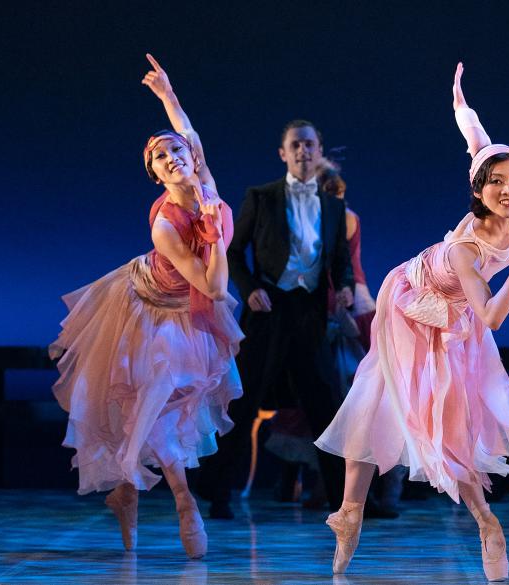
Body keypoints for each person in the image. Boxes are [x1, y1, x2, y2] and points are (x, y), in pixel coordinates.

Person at [313, 63, 509, 581]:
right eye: (498, 184)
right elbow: (488, 316)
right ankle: (351, 513)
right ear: (478, 191)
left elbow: (477, 141)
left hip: (458, 314)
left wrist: (461, 102)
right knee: (380, 399)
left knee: (451, 424)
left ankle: (486, 522)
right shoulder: (467, 246)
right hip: (412, 301)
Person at [49, 54, 240, 559]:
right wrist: (212, 235)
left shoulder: (208, 187)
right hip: (146, 308)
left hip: (192, 308)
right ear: (154, 175)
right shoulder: (165, 222)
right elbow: (211, 285)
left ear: (193, 157)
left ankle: (130, 492)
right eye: (159, 158)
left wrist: (166, 94)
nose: (172, 156)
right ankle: (181, 501)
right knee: (150, 397)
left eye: (177, 150)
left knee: (172, 406)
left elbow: (218, 290)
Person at [199, 110, 356, 520]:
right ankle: (218, 494)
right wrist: (250, 290)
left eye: (309, 144)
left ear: (319, 152)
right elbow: (232, 251)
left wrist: (342, 287)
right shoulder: (262, 196)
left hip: (308, 313)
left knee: (326, 405)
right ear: (283, 153)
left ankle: (347, 501)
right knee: (244, 402)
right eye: (296, 145)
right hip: (269, 310)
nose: (303, 151)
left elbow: (338, 258)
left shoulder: (333, 206)